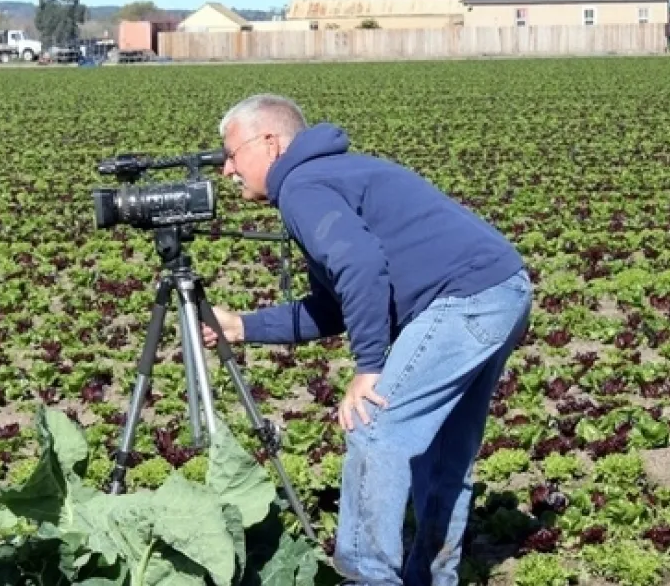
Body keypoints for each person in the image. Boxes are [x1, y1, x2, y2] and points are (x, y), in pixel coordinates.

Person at [200, 93, 532, 586]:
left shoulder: (301, 187)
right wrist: (243, 327)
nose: (227, 170)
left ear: (270, 143)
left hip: (465, 299)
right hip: (501, 289)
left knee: (372, 425)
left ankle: (365, 577)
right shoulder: (328, 174)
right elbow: (332, 307)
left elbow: (359, 265)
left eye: (231, 154)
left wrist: (369, 367)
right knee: (443, 454)